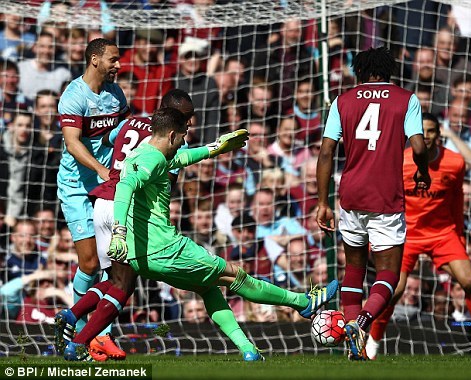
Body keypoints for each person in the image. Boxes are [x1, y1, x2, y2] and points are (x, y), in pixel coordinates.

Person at [61, 108, 338, 362]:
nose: (184, 141)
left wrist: (215, 148)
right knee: (234, 274)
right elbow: (124, 187)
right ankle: (301, 302)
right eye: (182, 136)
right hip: (168, 250)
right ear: (172, 134)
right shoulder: (151, 159)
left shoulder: (150, 154)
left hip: (143, 255)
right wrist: (119, 231)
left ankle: (248, 350)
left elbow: (181, 157)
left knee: (206, 287)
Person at [55, 89, 196, 361]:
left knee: (114, 279)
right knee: (123, 286)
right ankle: (81, 343)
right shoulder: (174, 141)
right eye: (188, 118)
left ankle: (71, 316)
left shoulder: (130, 122)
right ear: (176, 118)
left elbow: (107, 140)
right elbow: (167, 184)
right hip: (127, 207)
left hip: (104, 200)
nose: (189, 124)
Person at [315, 46, 430, 361]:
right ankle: (362, 322)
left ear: (360, 72)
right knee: (388, 274)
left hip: (350, 196)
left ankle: (351, 331)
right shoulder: (407, 99)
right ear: (389, 71)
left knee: (354, 267)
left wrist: (322, 202)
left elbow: (326, 152)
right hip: (386, 197)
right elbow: (419, 146)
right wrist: (422, 170)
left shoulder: (342, 101)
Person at [365, 113, 471, 361]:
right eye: (422, 131)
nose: (426, 136)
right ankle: (373, 341)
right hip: (406, 233)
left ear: (438, 135)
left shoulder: (455, 163)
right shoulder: (399, 161)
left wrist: (459, 236)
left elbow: (457, 201)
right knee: (394, 290)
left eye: (431, 131)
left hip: (443, 233)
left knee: (470, 282)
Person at [56, 38, 129, 357]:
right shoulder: (73, 96)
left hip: (107, 185)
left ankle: (97, 334)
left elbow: (124, 132)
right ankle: (73, 328)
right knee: (88, 262)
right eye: (113, 59)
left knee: (112, 262)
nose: (118, 65)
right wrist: (102, 169)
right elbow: (72, 143)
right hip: (76, 185)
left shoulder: (116, 94)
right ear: (95, 60)